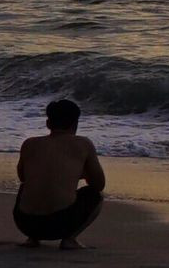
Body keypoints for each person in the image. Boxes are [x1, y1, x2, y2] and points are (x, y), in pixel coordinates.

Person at [15, 98, 107, 248]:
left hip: (25, 223)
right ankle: (69, 239)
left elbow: (23, 177)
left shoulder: (29, 143)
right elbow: (99, 184)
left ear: (48, 123)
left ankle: (32, 239)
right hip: (60, 224)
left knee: (25, 186)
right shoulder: (83, 144)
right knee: (96, 195)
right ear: (75, 124)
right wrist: (80, 173)